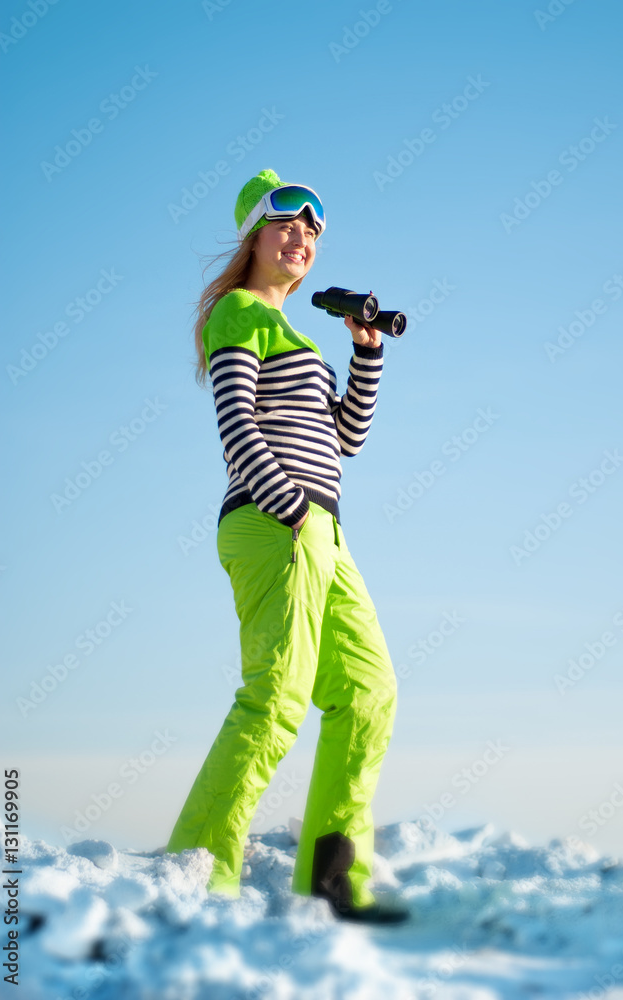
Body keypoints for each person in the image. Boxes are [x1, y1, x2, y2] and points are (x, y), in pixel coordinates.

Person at [165, 169, 408, 924]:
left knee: (368, 693)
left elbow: (347, 439)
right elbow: (235, 423)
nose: (301, 237)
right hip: (276, 521)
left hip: (323, 529)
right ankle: (199, 881)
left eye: (312, 231)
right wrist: (292, 512)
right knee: (273, 698)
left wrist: (365, 351)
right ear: (253, 240)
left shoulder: (298, 334)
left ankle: (334, 881)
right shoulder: (239, 312)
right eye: (285, 224)